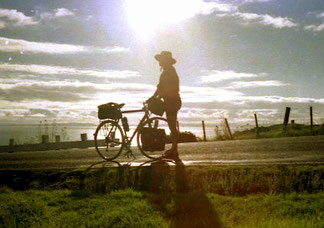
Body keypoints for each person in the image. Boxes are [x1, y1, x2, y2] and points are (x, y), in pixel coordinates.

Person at [150, 51, 182, 160]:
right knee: (171, 125)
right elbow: (160, 88)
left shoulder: (169, 71)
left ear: (166, 61)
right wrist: (155, 97)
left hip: (172, 101)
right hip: (171, 101)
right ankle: (174, 149)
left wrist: (158, 96)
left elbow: (169, 88)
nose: (159, 62)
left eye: (161, 60)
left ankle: (174, 150)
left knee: (172, 126)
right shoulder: (167, 71)